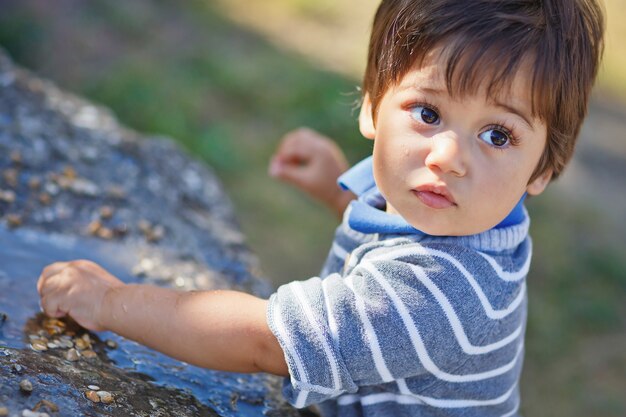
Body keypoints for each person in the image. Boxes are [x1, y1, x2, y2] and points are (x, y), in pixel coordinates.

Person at [37, 0, 605, 415]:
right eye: (428, 113)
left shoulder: (443, 293)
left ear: (545, 168)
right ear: (372, 105)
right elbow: (397, 241)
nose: (448, 157)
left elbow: (266, 341)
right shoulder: (466, 209)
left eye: (498, 135)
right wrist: (338, 190)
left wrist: (111, 301)